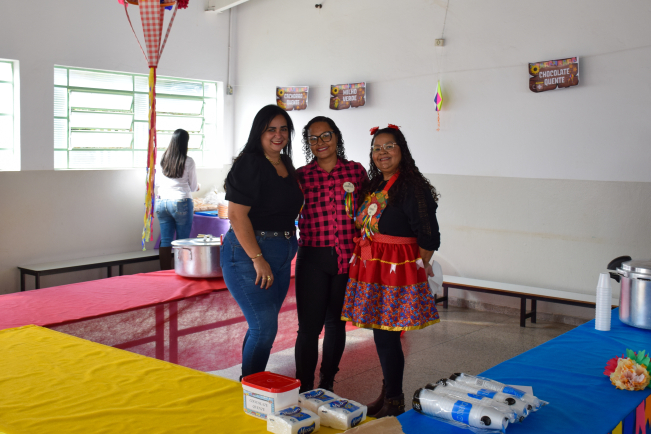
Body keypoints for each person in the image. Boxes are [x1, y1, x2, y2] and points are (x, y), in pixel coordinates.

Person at [341, 124, 441, 418]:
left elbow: (429, 236)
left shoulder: (412, 187)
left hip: (396, 273)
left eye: (389, 146)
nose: (382, 152)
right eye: (376, 148)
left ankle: (394, 400)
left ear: (402, 150)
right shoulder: (374, 185)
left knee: (387, 336)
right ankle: (388, 395)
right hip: (373, 268)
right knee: (381, 334)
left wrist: (413, 272)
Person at [221, 105, 304, 379]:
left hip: (282, 251)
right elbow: (236, 215)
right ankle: (252, 388)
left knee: (262, 327)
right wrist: (258, 259)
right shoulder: (250, 163)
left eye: (283, 129)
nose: (278, 135)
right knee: (264, 328)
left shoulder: (285, 164)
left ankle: (249, 383)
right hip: (250, 253)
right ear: (259, 132)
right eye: (271, 129)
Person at [294, 116, 368, 393]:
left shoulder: (355, 171)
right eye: (313, 138)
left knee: (336, 324)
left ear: (336, 136)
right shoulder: (301, 175)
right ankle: (304, 386)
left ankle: (327, 383)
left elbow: (371, 209)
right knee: (308, 329)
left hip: (347, 259)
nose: (320, 142)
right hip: (313, 259)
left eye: (326, 135)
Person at [155, 129, 200, 270]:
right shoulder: (188, 161)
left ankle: (164, 273)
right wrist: (198, 186)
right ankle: (182, 271)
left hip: (162, 202)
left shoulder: (162, 159)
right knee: (183, 241)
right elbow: (193, 187)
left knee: (165, 240)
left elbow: (157, 182)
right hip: (181, 202)